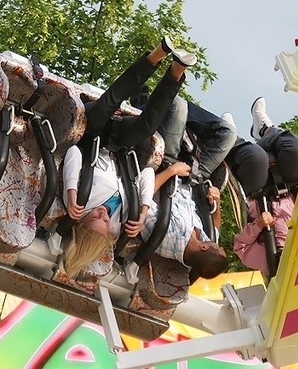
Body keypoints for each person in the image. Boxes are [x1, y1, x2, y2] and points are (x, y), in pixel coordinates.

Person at [63, 36, 197, 278]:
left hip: (91, 134)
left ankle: (155, 55)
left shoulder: (77, 204)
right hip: (121, 147)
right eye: (105, 222)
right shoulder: (121, 220)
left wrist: (72, 193)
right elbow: (146, 173)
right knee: (147, 127)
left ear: (82, 222)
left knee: (107, 104)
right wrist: (143, 211)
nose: (103, 214)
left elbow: (73, 153)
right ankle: (177, 72)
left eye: (96, 216)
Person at [224, 97, 298, 278]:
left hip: (259, 193)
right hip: (293, 188)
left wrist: (258, 225)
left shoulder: (266, 262)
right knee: (297, 148)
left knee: (256, 157)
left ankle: (231, 137)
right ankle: (265, 129)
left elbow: (240, 247)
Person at [139, 160, 228, 284]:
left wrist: (172, 171)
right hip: (194, 175)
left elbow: (142, 196)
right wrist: (216, 203)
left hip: (166, 166)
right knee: (225, 145)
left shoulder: (163, 237)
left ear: (203, 248)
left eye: (218, 247)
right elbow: (215, 228)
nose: (219, 245)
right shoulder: (206, 240)